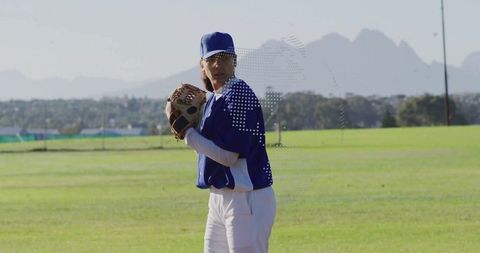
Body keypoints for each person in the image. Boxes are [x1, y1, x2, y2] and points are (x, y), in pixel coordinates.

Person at [183, 32, 276, 253]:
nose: (218, 64)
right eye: (212, 59)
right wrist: (193, 129)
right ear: (202, 65)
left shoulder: (240, 95)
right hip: (219, 196)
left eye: (224, 58)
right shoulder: (213, 99)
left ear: (234, 61)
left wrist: (187, 132)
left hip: (247, 196)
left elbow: (228, 156)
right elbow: (206, 154)